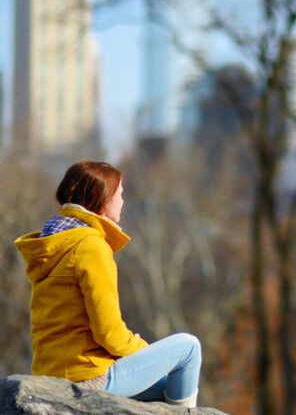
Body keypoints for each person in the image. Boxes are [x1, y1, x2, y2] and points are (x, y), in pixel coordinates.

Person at [14, 160, 201, 407]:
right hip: (88, 377)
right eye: (120, 195)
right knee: (188, 348)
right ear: (103, 199)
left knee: (167, 389)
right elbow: (109, 333)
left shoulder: (53, 243)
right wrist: (145, 353)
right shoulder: (90, 247)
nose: (123, 203)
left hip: (51, 375)